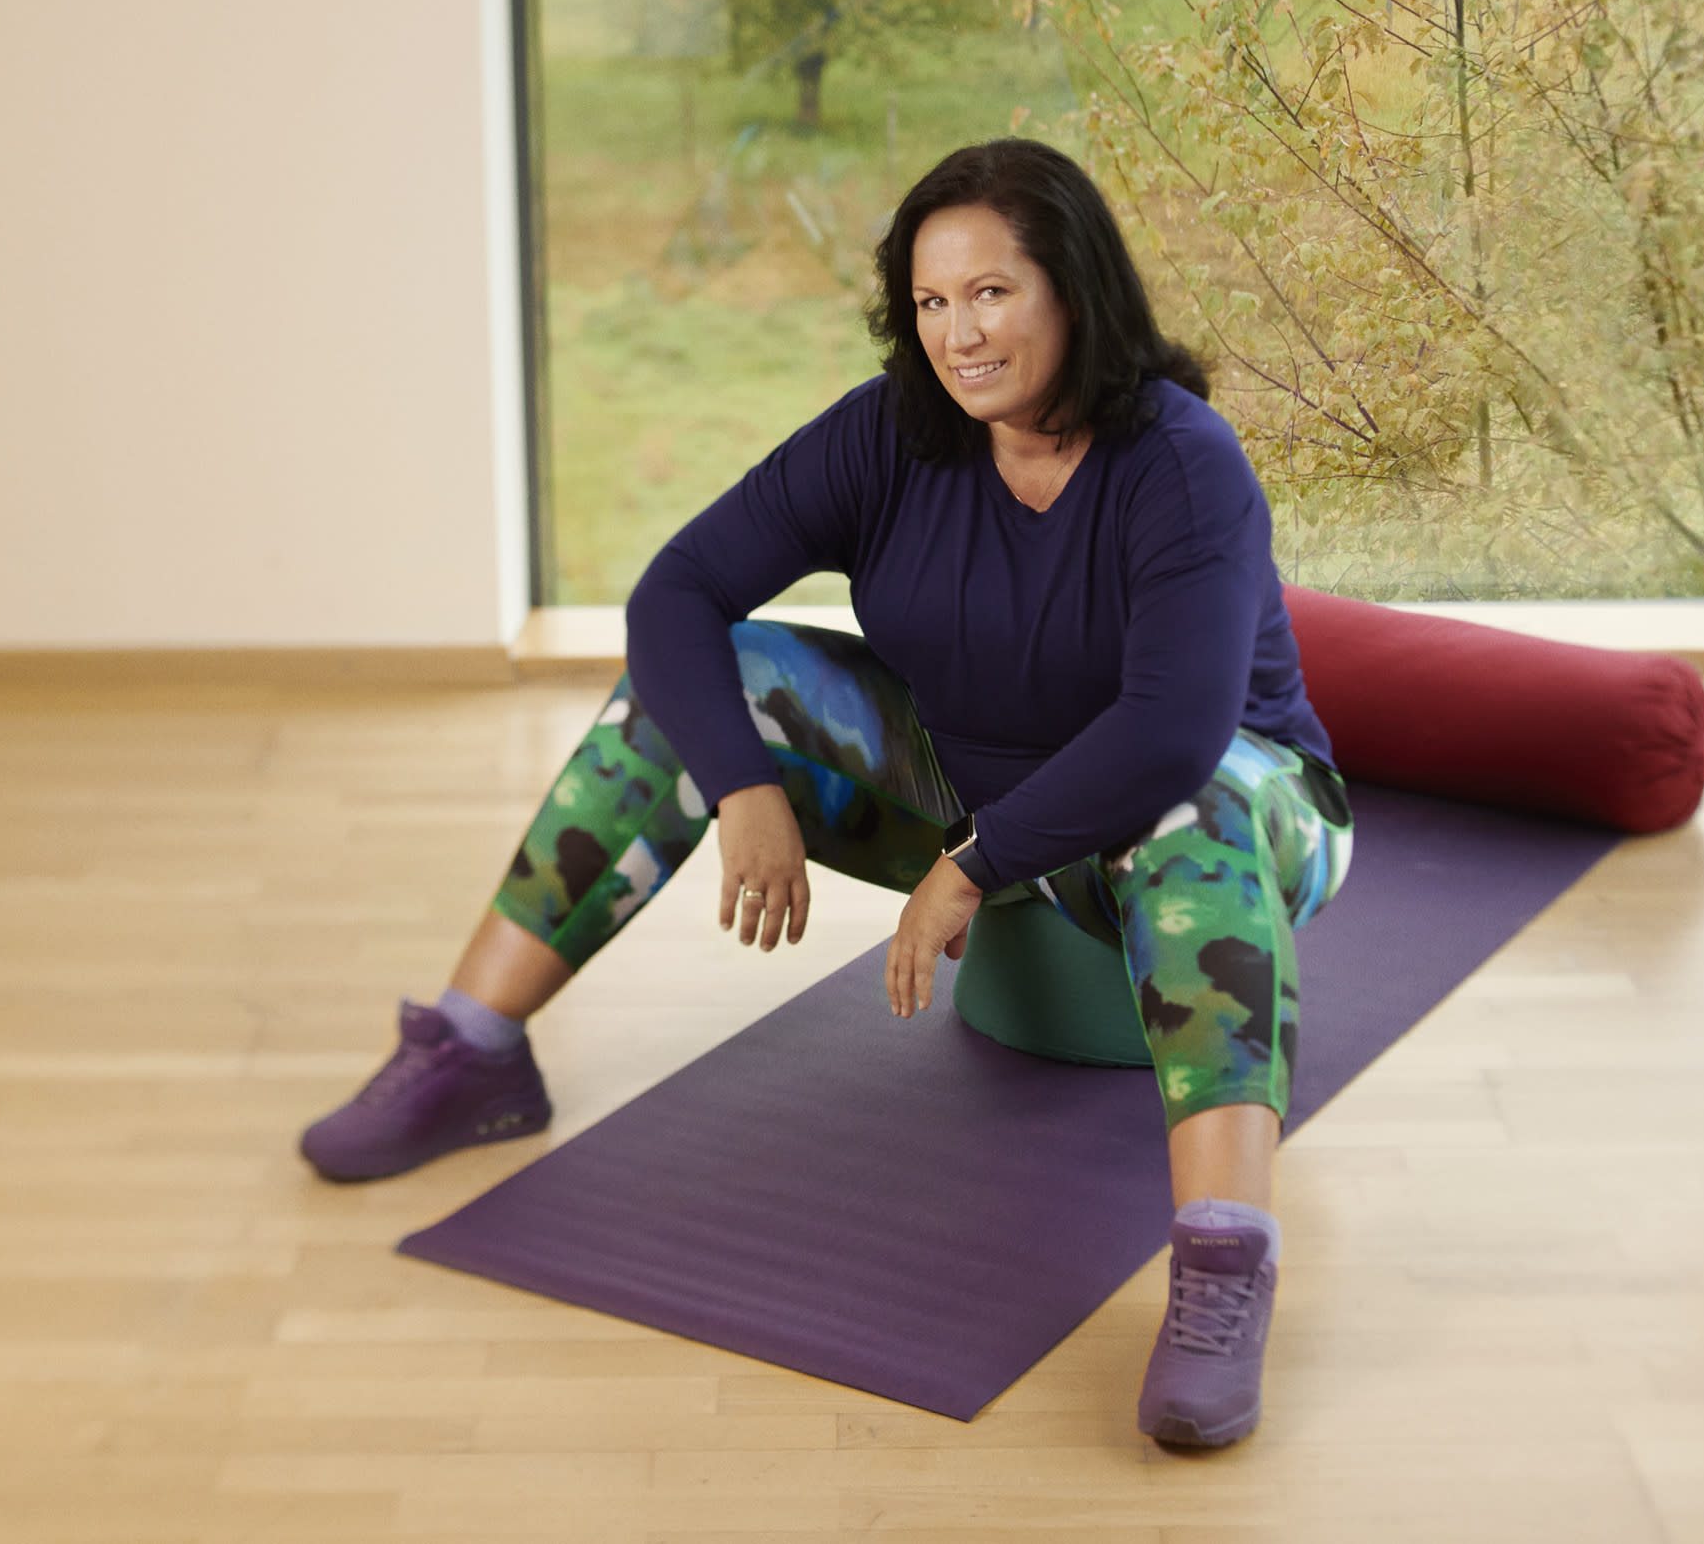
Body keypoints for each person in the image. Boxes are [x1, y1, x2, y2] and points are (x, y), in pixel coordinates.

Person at [299, 137, 1352, 1448]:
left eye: (991, 294)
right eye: (929, 301)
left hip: (1237, 805)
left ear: (1072, 291)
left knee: (1185, 809)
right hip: (970, 774)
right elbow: (675, 593)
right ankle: (471, 1049)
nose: (957, 334)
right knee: (705, 680)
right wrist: (742, 787)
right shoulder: (892, 436)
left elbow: (1172, 733)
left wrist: (970, 867)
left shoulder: (1179, 460)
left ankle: (1223, 1260)